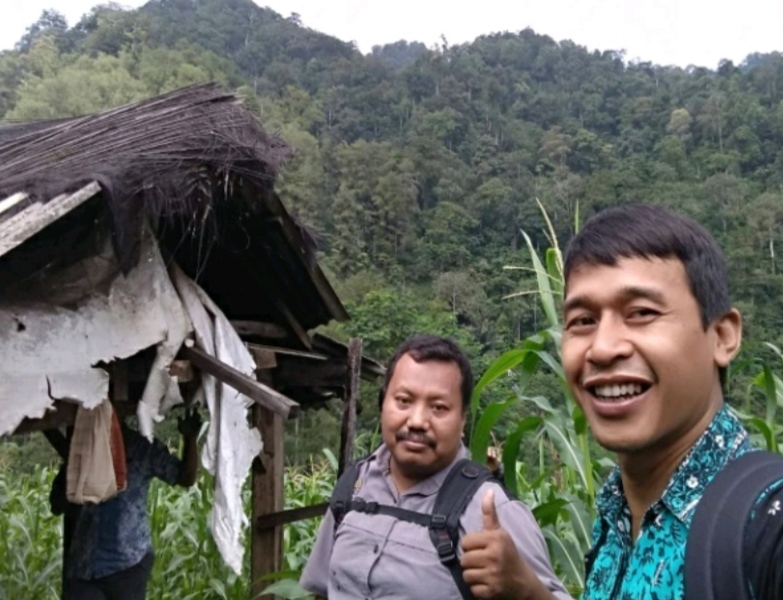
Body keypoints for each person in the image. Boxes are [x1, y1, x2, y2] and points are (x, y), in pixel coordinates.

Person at [559, 204, 783, 599]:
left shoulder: (766, 530)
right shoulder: (614, 520)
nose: (603, 348)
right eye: (582, 321)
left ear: (722, 336)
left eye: (641, 313)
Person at [300, 334, 571, 600]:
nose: (417, 421)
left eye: (439, 407)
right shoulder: (354, 487)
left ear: (463, 419)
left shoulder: (493, 510)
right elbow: (323, 591)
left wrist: (525, 589)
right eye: (404, 401)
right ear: (383, 404)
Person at [50, 407, 201, 600]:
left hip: (127, 563)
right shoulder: (83, 449)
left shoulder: (140, 447)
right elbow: (56, 503)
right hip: (85, 565)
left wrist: (190, 439)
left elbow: (185, 477)